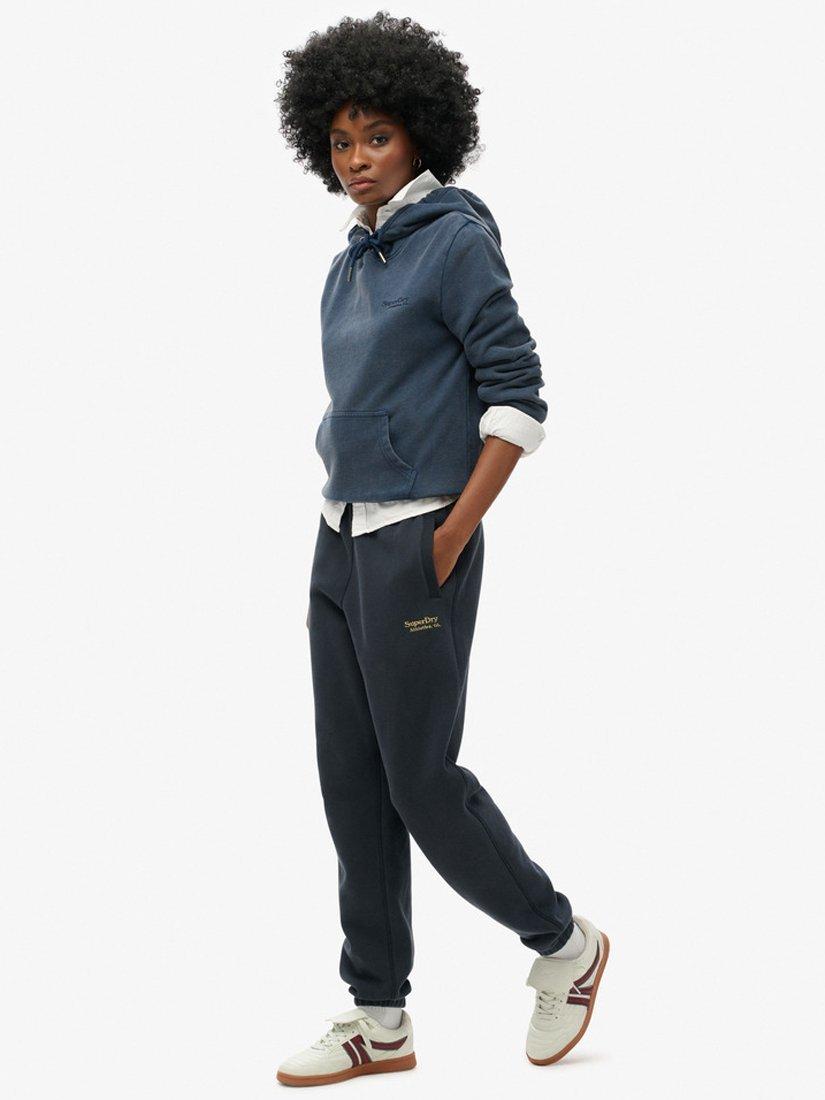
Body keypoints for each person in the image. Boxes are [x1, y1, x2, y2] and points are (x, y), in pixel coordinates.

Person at [274, 12, 608, 1087]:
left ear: (422, 131)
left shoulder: (455, 239)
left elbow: (519, 397)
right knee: (351, 781)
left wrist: (451, 534)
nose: (357, 158)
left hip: (417, 536)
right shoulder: (350, 261)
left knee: (420, 780)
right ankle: (380, 1015)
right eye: (340, 142)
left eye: (376, 136)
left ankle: (563, 943)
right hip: (339, 537)